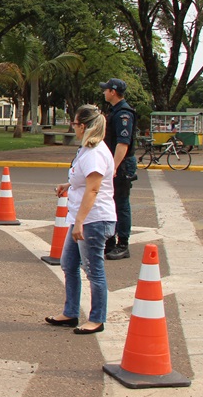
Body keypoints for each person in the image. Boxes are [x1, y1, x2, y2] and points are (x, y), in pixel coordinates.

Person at [45, 104, 116, 335]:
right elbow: (85, 181)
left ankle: (97, 319)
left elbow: (93, 190)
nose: (73, 127)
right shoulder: (87, 149)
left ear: (83, 126)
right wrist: (69, 185)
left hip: (93, 220)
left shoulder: (95, 153)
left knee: (93, 270)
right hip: (82, 218)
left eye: (74, 123)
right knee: (68, 263)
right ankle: (70, 312)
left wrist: (79, 223)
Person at [100, 78, 137, 260]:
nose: (104, 92)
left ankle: (123, 244)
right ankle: (110, 242)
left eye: (106, 89)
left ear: (113, 92)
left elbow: (123, 144)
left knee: (121, 204)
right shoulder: (114, 111)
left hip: (121, 165)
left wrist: (113, 167)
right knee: (110, 202)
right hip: (113, 163)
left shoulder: (124, 114)